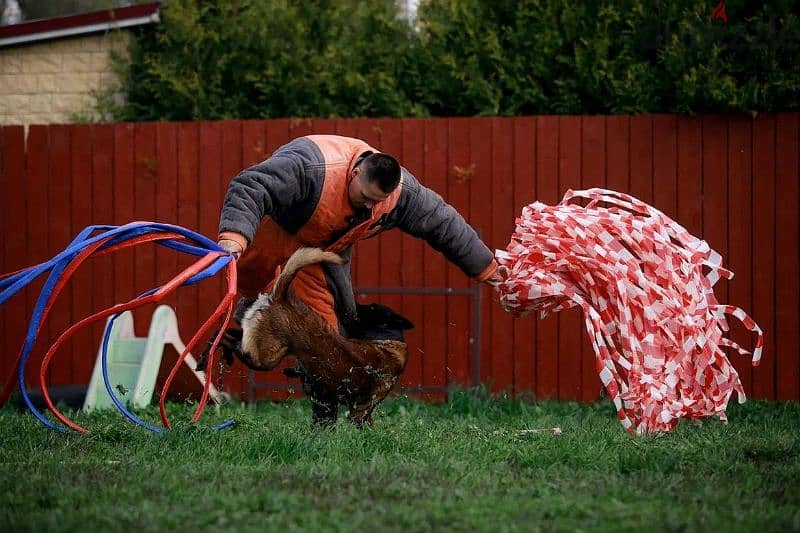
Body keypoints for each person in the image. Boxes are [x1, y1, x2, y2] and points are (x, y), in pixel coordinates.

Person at [217, 134, 506, 335]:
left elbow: (445, 224)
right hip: (283, 226)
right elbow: (251, 185)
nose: (370, 205)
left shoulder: (403, 195)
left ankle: (324, 413)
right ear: (354, 173)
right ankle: (249, 314)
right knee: (249, 279)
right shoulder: (311, 166)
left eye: (376, 201)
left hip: (326, 248)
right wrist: (234, 235)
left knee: (329, 334)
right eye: (365, 197)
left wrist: (486, 268)